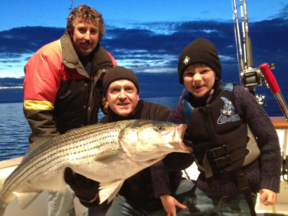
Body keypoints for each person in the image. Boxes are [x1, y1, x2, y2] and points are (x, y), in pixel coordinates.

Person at [163, 37, 281, 216]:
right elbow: (158, 153)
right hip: (205, 190)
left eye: (204, 71)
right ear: (182, 78)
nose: (196, 79)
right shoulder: (180, 111)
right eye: (189, 74)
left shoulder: (238, 96)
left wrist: (269, 182)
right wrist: (164, 193)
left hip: (242, 190)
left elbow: (268, 138)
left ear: (216, 73)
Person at [23, 4, 117, 216]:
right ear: (70, 30)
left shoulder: (107, 62)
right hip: (53, 142)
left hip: (89, 143)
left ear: (99, 35)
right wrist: (56, 152)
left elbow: (111, 105)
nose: (87, 37)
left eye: (93, 31)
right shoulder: (48, 57)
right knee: (62, 191)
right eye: (82, 30)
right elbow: (37, 112)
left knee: (105, 187)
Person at [64, 66, 195, 216]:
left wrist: (187, 150)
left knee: (213, 200)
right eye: (115, 90)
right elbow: (100, 198)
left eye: (129, 89)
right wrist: (86, 194)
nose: (122, 96)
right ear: (106, 98)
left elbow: (179, 159)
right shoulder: (101, 130)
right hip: (129, 200)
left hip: (173, 190)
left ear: (137, 95)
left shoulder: (158, 114)